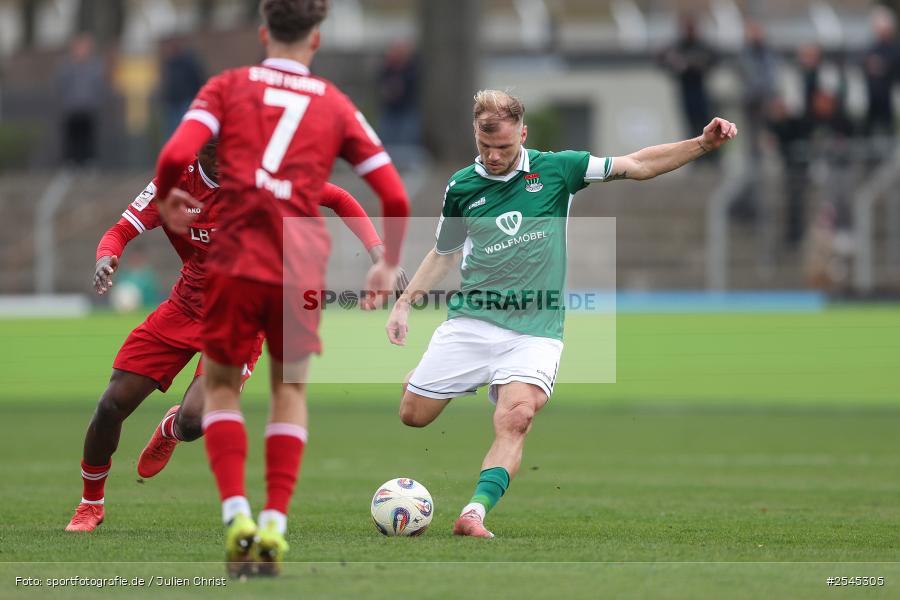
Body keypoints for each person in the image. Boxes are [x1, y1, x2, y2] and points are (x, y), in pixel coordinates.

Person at [385, 90, 736, 538]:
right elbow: (444, 253)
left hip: (535, 330)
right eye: (485, 146)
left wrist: (702, 144)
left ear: (523, 134)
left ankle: (474, 512)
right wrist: (404, 303)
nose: (493, 156)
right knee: (413, 415)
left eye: (503, 147)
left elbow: (637, 165)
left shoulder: (557, 169)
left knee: (517, 417)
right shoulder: (461, 187)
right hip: (472, 321)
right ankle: (424, 379)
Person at [153, 0, 409, 577]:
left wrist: (168, 196)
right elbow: (393, 194)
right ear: (316, 39)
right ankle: (274, 523)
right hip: (298, 261)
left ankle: (237, 515)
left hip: (235, 254)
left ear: (263, 31)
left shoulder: (226, 87)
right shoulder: (335, 103)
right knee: (288, 390)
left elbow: (173, 154)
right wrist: (386, 262)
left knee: (221, 388)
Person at [65, 139, 394, 534]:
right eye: (216, 155)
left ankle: (171, 429)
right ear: (198, 150)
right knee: (111, 405)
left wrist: (378, 252)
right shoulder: (173, 183)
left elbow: (338, 198)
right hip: (184, 308)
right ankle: (91, 504)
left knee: (193, 421)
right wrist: (105, 256)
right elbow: (120, 230)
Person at [659, 15, 717, 142]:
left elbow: (711, 59)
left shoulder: (702, 46)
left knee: (705, 122)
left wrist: (691, 64)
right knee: (690, 124)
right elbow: (662, 59)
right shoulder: (678, 46)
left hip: (700, 90)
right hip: (685, 90)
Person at [55, 34, 107, 166]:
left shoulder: (95, 66)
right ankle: (70, 162)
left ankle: (89, 162)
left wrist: (96, 101)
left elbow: (99, 86)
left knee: (88, 137)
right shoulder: (67, 67)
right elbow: (61, 85)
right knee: (72, 137)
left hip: (89, 108)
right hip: (72, 108)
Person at [159, 38, 207, 138]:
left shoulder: (187, 62)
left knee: (184, 128)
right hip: (172, 102)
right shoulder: (169, 64)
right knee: (174, 130)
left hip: (185, 100)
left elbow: (197, 79)